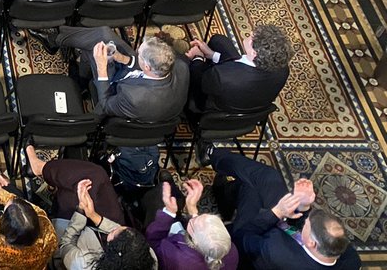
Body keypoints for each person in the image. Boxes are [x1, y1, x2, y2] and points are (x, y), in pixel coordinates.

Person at [213, 149, 359, 269]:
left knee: (249, 189)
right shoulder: (349, 257)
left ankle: (221, 191)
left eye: (307, 223)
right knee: (269, 177)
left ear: (312, 243)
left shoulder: (275, 252)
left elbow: (241, 238)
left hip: (253, 241)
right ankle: (214, 158)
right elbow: (308, 226)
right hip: (283, 224)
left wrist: (276, 213)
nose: (306, 219)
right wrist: (304, 206)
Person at [56, 31, 189, 122]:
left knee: (92, 50)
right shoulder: (181, 67)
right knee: (104, 33)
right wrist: (122, 58)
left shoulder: (133, 97)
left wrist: (101, 68)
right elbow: (142, 66)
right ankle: (58, 38)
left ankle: (81, 82)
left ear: (147, 67)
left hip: (116, 101)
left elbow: (106, 105)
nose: (136, 52)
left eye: (139, 54)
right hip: (137, 84)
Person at [47, 168, 155, 270]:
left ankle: (45, 172)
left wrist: (81, 210)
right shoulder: (147, 257)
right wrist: (93, 215)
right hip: (97, 237)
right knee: (99, 177)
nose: (116, 228)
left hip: (74, 245)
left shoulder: (83, 264)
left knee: (66, 200)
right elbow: (120, 231)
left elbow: (66, 243)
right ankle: (46, 170)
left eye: (114, 232)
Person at [184, 24, 292, 115]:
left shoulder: (222, 76)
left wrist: (198, 58)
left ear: (254, 53)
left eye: (251, 37)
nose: (250, 34)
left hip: (216, 110)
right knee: (219, 41)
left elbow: (201, 83)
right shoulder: (283, 70)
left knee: (185, 68)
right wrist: (212, 55)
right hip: (249, 105)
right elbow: (237, 67)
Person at [146, 179, 237, 270]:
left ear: (194, 241)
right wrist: (192, 207)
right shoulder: (232, 251)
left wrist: (169, 213)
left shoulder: (173, 257)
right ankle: (174, 190)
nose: (196, 216)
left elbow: (153, 243)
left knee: (158, 199)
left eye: (195, 221)